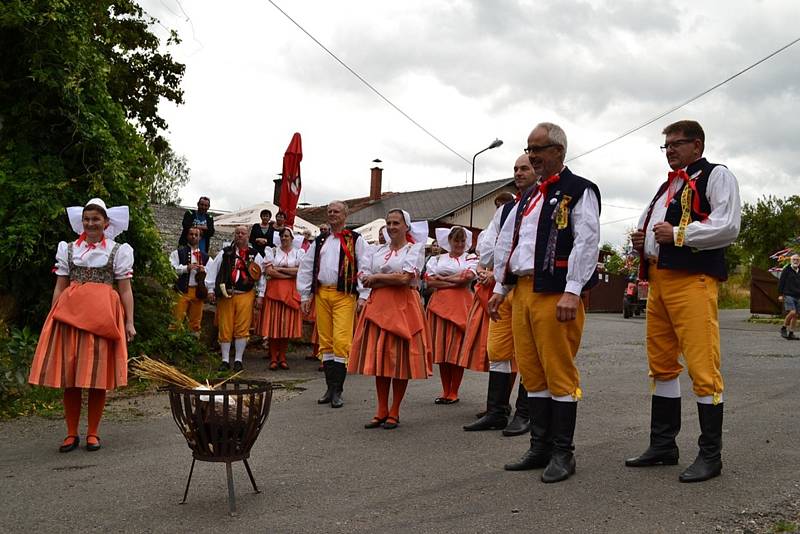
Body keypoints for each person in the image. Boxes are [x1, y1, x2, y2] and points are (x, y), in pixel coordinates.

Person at [625, 120, 741, 483]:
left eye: (677, 143)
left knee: (703, 367)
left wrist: (676, 233)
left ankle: (711, 455)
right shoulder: (668, 186)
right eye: (667, 145)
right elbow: (660, 232)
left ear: (698, 145)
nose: (671, 150)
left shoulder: (716, 175)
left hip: (693, 280)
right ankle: (663, 445)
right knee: (661, 364)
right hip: (659, 281)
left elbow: (728, 226)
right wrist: (642, 239)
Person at [489, 122, 601, 483]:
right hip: (521, 291)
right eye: (529, 149)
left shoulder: (579, 189)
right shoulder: (528, 197)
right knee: (533, 374)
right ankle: (539, 446)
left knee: (558, 373)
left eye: (538, 149)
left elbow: (586, 241)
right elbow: (509, 244)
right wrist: (499, 289)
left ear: (559, 151)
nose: (533, 156)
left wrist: (573, 288)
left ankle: (562, 453)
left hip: (554, 292)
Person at [29, 198, 135, 453]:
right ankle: (71, 433)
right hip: (71, 317)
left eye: (96, 219)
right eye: (87, 219)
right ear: (82, 221)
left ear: (106, 223)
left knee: (98, 378)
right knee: (71, 377)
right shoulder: (68, 249)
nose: (90, 223)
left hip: (102, 319)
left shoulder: (117, 250)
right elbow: (60, 285)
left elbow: (125, 290)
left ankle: (93, 433)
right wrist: (54, 314)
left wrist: (129, 322)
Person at [464, 155, 537, 434]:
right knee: (497, 351)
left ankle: (526, 413)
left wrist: (498, 266)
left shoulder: (539, 205)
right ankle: (496, 411)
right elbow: (488, 246)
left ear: (537, 171)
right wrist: (491, 270)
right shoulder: (507, 210)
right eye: (516, 169)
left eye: (524, 168)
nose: (518, 173)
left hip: (526, 285)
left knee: (527, 353)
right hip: (502, 287)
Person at [349, 209, 430, 429]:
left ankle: (395, 410)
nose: (392, 227)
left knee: (400, 361)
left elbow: (405, 278)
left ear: (406, 227)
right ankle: (381, 409)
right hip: (378, 307)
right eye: (389, 223)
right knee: (380, 360)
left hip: (403, 307)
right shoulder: (377, 250)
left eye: (396, 223)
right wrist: (379, 281)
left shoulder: (414, 249)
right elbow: (363, 278)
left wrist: (377, 278)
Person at [297, 201, 369, 408]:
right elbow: (307, 267)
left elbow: (364, 266)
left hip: (344, 294)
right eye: (329, 211)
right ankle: (330, 388)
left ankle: (338, 390)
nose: (332, 214)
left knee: (341, 340)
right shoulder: (320, 240)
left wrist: (363, 295)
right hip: (322, 294)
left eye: (336, 211)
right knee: (325, 341)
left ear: (345, 215)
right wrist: (305, 295)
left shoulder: (356, 240)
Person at [425, 226, 477, 405]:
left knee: (456, 351)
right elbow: (429, 281)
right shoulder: (437, 258)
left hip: (462, 306)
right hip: (439, 306)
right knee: (441, 350)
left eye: (462, 241)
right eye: (456, 240)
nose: (460, 244)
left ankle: (454, 390)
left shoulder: (470, 258)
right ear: (449, 241)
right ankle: (445, 389)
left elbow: (467, 277)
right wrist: (454, 281)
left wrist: (443, 280)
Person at [205, 225, 265, 372]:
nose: (240, 235)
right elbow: (214, 270)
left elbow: (261, 275)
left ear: (248, 236)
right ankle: (225, 360)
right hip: (227, 294)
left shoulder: (255, 254)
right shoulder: (225, 253)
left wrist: (260, 294)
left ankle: (238, 360)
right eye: (237, 233)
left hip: (246, 294)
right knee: (225, 326)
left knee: (242, 327)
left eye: (243, 233)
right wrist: (211, 289)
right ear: (234, 235)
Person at [258, 228, 305, 370]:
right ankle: (273, 357)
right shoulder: (271, 251)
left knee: (286, 326)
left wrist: (279, 269)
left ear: (291, 238)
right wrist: (289, 274)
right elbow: (269, 271)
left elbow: (301, 271)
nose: (284, 238)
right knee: (273, 326)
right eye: (282, 236)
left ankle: (283, 357)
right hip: (274, 291)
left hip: (291, 291)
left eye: (287, 236)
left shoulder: (299, 252)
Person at [170, 227, 209, 335]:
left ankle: (192, 346)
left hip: (198, 291)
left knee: (195, 323)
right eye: (191, 234)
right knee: (176, 319)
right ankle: (173, 343)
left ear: (200, 238)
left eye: (196, 235)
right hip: (182, 290)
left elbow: (212, 274)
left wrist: (203, 270)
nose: (193, 237)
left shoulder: (205, 257)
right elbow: (171, 269)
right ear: (187, 236)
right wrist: (186, 268)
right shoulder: (178, 253)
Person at [778, 254, 800, 340]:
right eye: (794, 260)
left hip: (798, 296)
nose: (796, 261)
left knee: (796, 315)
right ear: (791, 261)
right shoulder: (786, 270)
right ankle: (783, 327)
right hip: (788, 294)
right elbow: (781, 282)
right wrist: (780, 294)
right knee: (793, 312)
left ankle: (791, 333)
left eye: (797, 260)